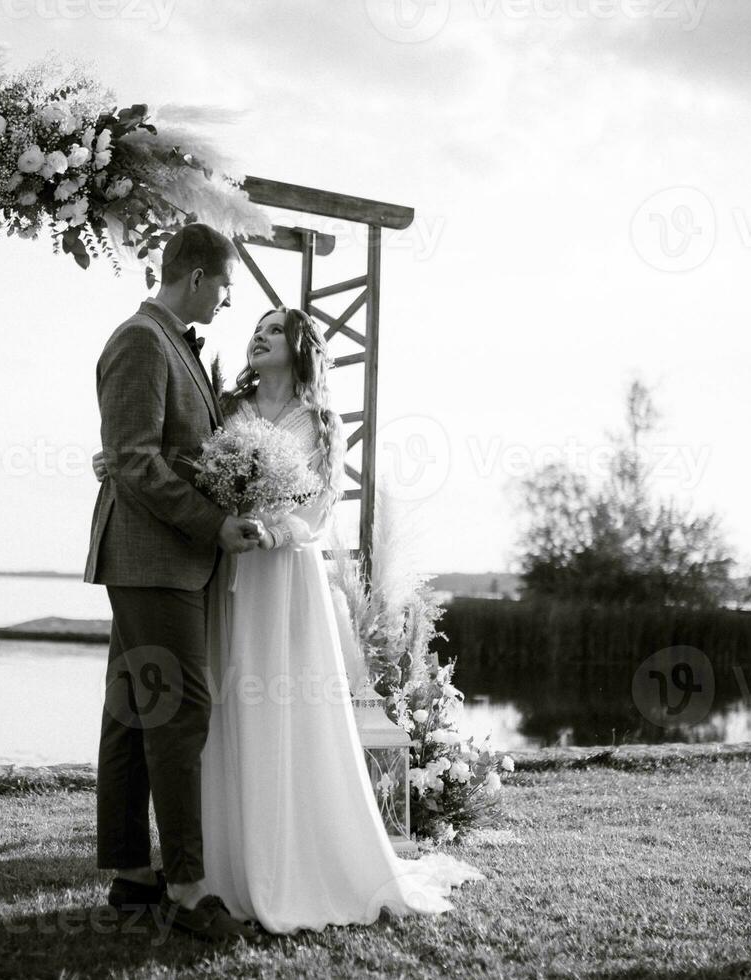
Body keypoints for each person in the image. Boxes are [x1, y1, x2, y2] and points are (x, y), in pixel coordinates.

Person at [93, 306, 484, 935]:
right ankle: (217, 865)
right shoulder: (227, 408)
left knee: (281, 707)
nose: (258, 334)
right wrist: (112, 462)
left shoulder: (322, 421)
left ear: (300, 347)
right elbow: (178, 465)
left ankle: (290, 856)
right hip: (225, 576)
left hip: (284, 580)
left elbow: (321, 510)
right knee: (220, 712)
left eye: (274, 330)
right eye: (257, 326)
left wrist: (276, 533)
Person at [83, 222, 264, 942]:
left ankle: (132, 878)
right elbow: (132, 460)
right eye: (225, 285)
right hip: (152, 558)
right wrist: (212, 524)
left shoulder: (175, 345)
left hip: (154, 558)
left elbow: (163, 452)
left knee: (132, 711)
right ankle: (188, 892)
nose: (227, 301)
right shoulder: (141, 341)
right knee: (179, 713)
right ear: (196, 277)